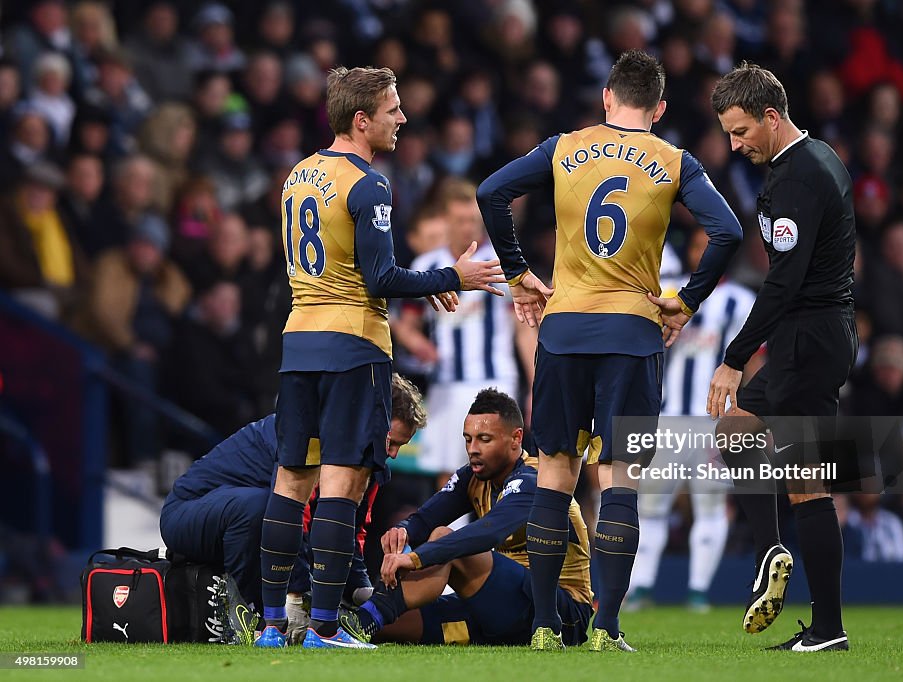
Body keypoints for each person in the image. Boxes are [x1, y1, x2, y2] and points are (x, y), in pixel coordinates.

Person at [477, 50, 743, 651]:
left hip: (565, 330)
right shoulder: (674, 161)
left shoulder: (564, 147)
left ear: (606, 97)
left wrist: (520, 275)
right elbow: (727, 231)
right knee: (620, 482)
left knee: (555, 476)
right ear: (660, 107)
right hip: (632, 333)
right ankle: (607, 628)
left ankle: (544, 627)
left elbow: (491, 193)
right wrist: (688, 300)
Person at [255, 65, 505, 650]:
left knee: (289, 484)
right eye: (394, 110)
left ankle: (270, 626)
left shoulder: (297, 176)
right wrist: (453, 275)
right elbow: (380, 276)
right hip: (352, 347)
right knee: (340, 488)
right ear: (361, 120)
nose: (403, 119)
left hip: (298, 345)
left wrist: (425, 281)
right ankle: (320, 628)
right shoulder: (369, 185)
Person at [691, 62, 858, 652]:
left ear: (771, 116)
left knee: (807, 486)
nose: (735, 144)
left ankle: (828, 629)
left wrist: (734, 357)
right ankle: (770, 550)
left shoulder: (797, 179)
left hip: (807, 341)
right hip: (807, 340)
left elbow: (783, 283)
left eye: (741, 132)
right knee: (735, 431)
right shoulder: (815, 160)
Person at [160, 374, 426, 645]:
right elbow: (291, 517)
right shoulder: (307, 434)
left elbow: (349, 532)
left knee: (269, 509)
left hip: (239, 519)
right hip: (185, 515)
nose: (392, 454)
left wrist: (360, 590)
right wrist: (299, 593)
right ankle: (250, 617)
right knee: (265, 506)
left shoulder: (367, 466)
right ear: (369, 419)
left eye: (399, 447)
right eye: (391, 442)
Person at [336, 389, 592, 647]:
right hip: (501, 610)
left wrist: (414, 558)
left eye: (484, 439)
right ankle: (339, 623)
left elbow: (487, 533)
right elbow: (425, 519)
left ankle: (370, 612)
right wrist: (402, 531)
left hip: (560, 614)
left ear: (516, 439)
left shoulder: (535, 479)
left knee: (446, 540)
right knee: (391, 628)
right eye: (468, 439)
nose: (473, 449)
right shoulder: (473, 476)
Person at [630, 230, 755, 612]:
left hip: (714, 421)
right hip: (665, 419)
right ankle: (640, 589)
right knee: (649, 506)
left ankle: (698, 591)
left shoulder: (741, 302)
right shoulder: (667, 295)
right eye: (700, 245)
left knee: (711, 505)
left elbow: (755, 361)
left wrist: (746, 412)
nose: (704, 253)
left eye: (712, 246)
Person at [401, 178, 537, 486]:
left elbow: (524, 329)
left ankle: (488, 534)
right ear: (445, 221)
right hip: (446, 383)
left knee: (496, 468)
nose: (468, 227)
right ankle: (453, 534)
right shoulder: (427, 265)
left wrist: (535, 383)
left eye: (473, 220)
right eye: (460, 220)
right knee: (448, 474)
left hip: (496, 379)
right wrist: (417, 342)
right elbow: (407, 324)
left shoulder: (503, 263)